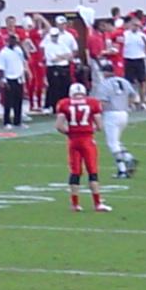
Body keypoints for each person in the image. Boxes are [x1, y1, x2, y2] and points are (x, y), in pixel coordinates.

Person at [55, 83, 112, 212]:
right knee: (92, 172)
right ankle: (97, 203)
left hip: (73, 141)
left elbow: (59, 126)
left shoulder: (64, 103)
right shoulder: (92, 103)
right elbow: (100, 126)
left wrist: (71, 133)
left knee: (75, 172)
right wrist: (89, 130)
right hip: (87, 140)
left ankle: (75, 204)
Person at [94, 63, 137, 180]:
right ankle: (128, 157)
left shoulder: (104, 84)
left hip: (111, 114)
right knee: (116, 141)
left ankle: (122, 170)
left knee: (112, 143)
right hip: (124, 113)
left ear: (105, 73)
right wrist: (127, 105)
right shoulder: (123, 81)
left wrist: (98, 114)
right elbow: (133, 95)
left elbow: (102, 102)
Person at [0, 34, 30, 129]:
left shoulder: (18, 50)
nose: (13, 42)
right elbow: (0, 67)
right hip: (9, 78)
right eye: (12, 40)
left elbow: (26, 58)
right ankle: (6, 121)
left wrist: (21, 46)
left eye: (15, 40)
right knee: (8, 102)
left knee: (18, 101)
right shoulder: (3, 52)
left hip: (19, 78)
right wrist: (3, 79)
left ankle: (17, 121)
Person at [123, 18, 146, 109]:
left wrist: (145, 42)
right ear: (130, 25)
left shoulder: (142, 35)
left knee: (142, 82)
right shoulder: (125, 34)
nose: (136, 27)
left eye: (138, 26)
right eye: (134, 25)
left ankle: (142, 102)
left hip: (139, 59)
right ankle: (130, 102)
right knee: (129, 82)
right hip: (128, 59)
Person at [43, 27, 72, 113]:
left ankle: (65, 106)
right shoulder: (48, 46)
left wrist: (60, 56)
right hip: (53, 68)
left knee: (65, 87)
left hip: (64, 67)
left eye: (56, 36)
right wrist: (64, 56)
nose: (54, 37)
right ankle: (55, 107)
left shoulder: (62, 44)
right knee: (54, 88)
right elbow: (52, 59)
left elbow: (70, 55)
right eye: (53, 36)